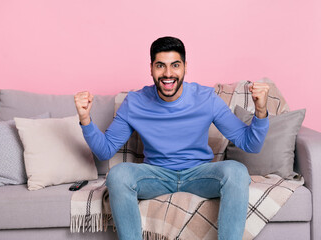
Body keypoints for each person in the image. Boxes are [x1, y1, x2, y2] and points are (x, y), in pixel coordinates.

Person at [74, 36, 269, 240]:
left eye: (175, 65)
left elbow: (250, 144)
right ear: (151, 68)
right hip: (156, 176)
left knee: (236, 171)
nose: (168, 74)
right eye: (160, 66)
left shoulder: (206, 98)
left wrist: (261, 110)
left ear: (185, 67)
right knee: (118, 175)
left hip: (199, 175)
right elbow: (105, 150)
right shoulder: (135, 102)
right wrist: (85, 119)